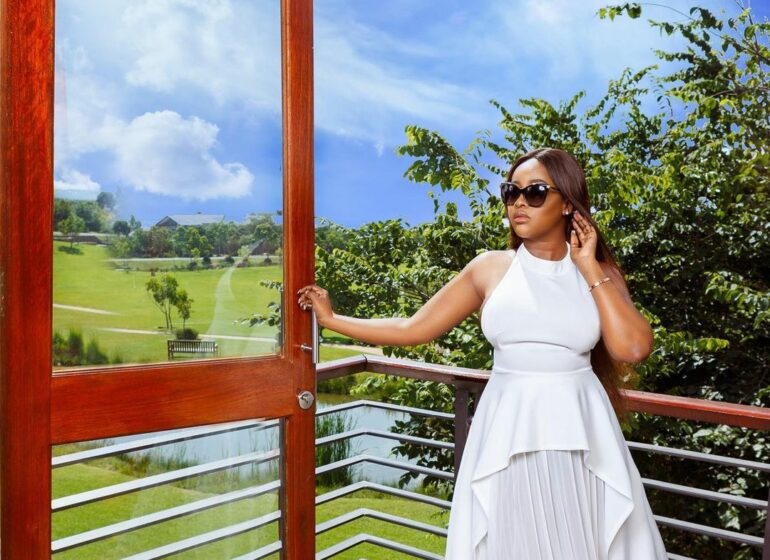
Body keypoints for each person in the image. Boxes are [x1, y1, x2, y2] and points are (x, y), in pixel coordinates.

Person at [297, 147, 668, 559]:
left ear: (568, 203)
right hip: (507, 428)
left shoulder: (600, 274)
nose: (519, 203)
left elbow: (633, 348)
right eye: (511, 192)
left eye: (535, 192)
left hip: (582, 431)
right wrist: (332, 320)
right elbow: (412, 329)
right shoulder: (491, 268)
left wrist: (589, 266)